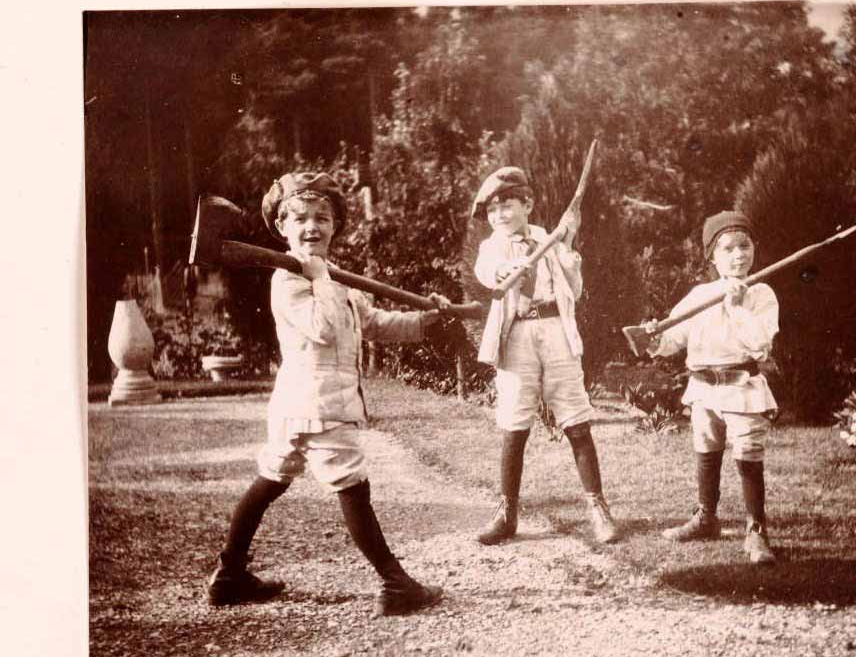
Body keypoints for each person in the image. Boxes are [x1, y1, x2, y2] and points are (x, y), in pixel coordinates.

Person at [207, 171, 447, 615]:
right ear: (282, 228)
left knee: (271, 480)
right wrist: (320, 279)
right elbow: (322, 328)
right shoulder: (290, 279)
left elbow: (370, 323)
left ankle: (229, 575)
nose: (311, 227)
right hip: (319, 403)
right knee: (352, 486)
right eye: (299, 218)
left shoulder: (330, 277)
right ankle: (395, 585)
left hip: (303, 403)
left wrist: (422, 321)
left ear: (335, 226)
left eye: (322, 217)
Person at [471, 166, 621, 546]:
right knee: (514, 420)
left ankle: (598, 509)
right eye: (492, 210)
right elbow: (489, 274)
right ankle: (507, 513)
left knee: (575, 417)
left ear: (528, 205)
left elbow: (576, 288)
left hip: (555, 330)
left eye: (508, 206)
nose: (500, 215)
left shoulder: (548, 238)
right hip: (517, 334)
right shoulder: (492, 247)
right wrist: (511, 268)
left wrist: (567, 247)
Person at [644, 210, 778, 565]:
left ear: (754, 250)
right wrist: (653, 337)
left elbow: (760, 345)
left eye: (745, 246)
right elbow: (673, 339)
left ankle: (756, 532)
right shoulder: (698, 295)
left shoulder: (761, 293)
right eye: (728, 249)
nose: (738, 255)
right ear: (713, 257)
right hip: (704, 389)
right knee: (706, 450)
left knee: (748, 453)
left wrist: (736, 308)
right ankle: (706, 518)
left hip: (742, 386)